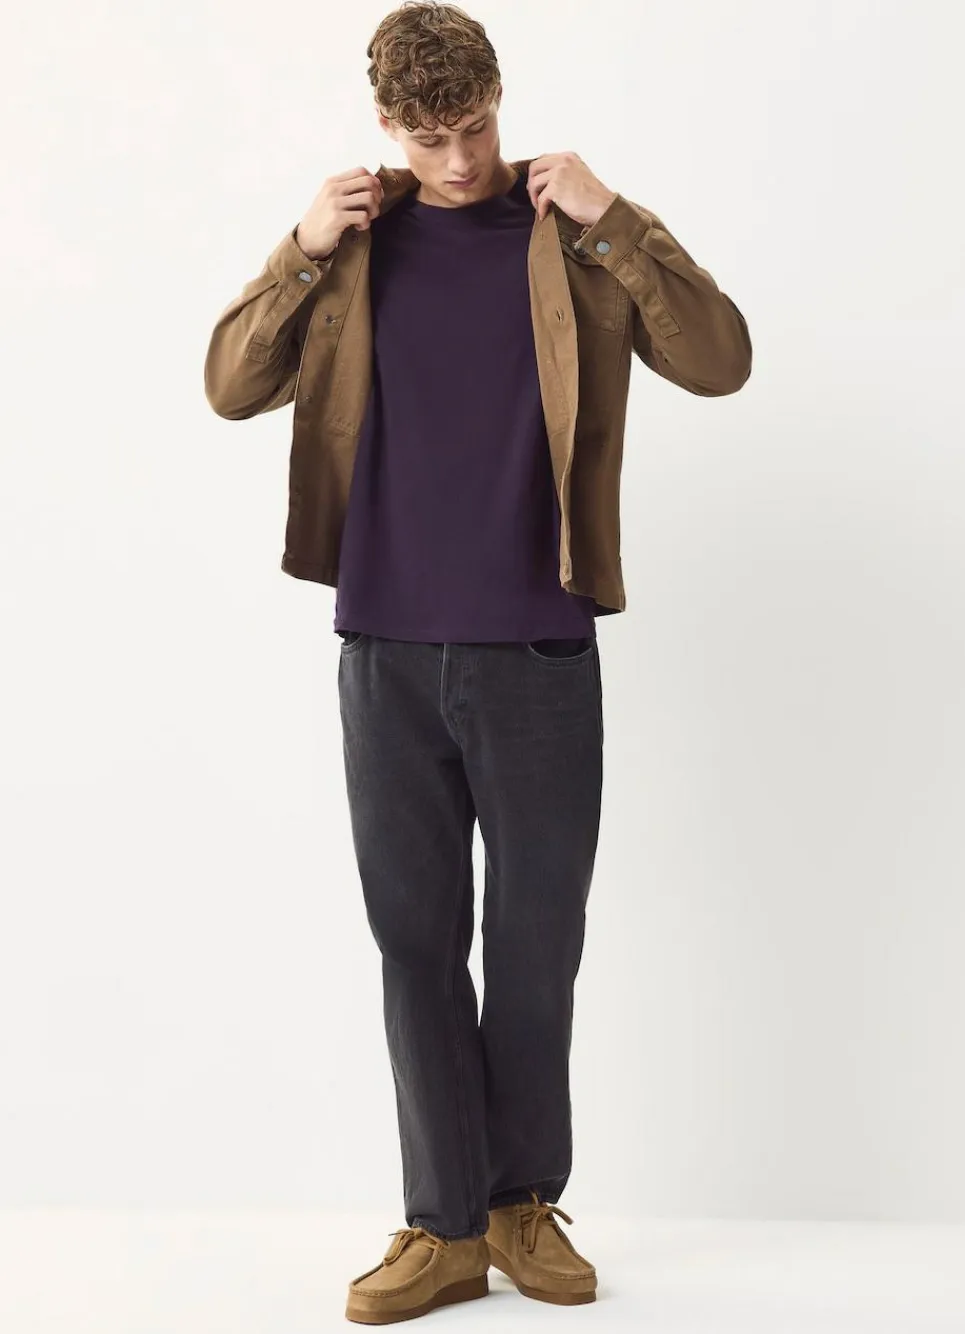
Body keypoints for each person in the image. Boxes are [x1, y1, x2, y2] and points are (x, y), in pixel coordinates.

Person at [204, 1, 751, 1322]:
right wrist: (298, 249)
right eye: (430, 138)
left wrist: (619, 219)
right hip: (386, 646)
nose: (457, 162)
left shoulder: (572, 234)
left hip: (537, 646)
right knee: (414, 942)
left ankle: (520, 1203)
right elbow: (230, 384)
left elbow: (720, 360)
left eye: (476, 129)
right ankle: (442, 1226)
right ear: (388, 126)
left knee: (536, 941)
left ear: (502, 98)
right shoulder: (354, 244)